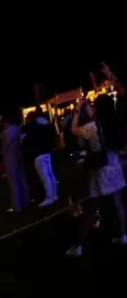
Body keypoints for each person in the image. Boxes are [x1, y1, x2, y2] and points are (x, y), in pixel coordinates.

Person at [66, 94, 126, 255]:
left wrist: (78, 111)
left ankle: (78, 246)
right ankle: (123, 235)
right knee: (117, 202)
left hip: (100, 169)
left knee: (91, 208)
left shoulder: (92, 126)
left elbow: (73, 130)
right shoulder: (113, 122)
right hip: (114, 165)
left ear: (98, 108)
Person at [23, 110, 58, 206]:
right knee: (50, 175)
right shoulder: (43, 125)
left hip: (38, 155)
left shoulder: (29, 128)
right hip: (47, 152)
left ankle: (49, 197)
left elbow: (24, 141)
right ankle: (54, 195)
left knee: (45, 177)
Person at [0, 111, 30, 212]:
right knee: (23, 179)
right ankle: (26, 201)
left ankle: (17, 206)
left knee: (13, 182)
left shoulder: (5, 132)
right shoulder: (18, 128)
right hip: (19, 156)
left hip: (10, 158)